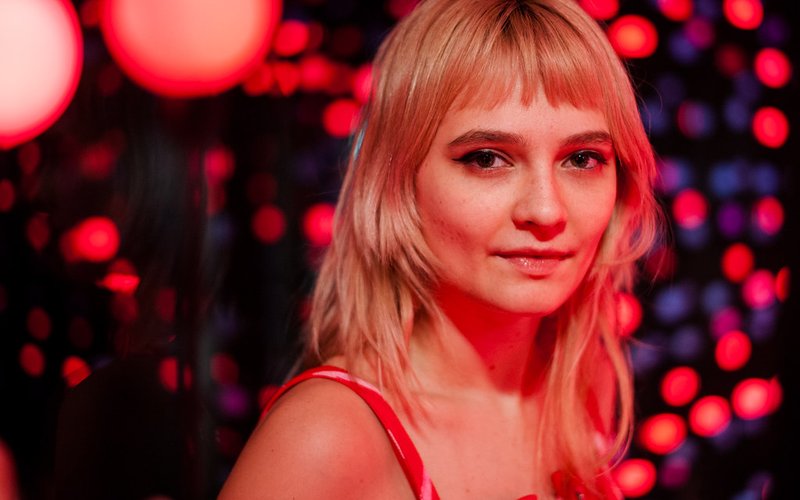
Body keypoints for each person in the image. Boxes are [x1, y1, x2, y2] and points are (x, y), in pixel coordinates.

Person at [221, 0, 661, 497]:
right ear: (399, 182)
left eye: (582, 158)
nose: (545, 210)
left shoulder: (580, 390)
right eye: (487, 158)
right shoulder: (327, 435)